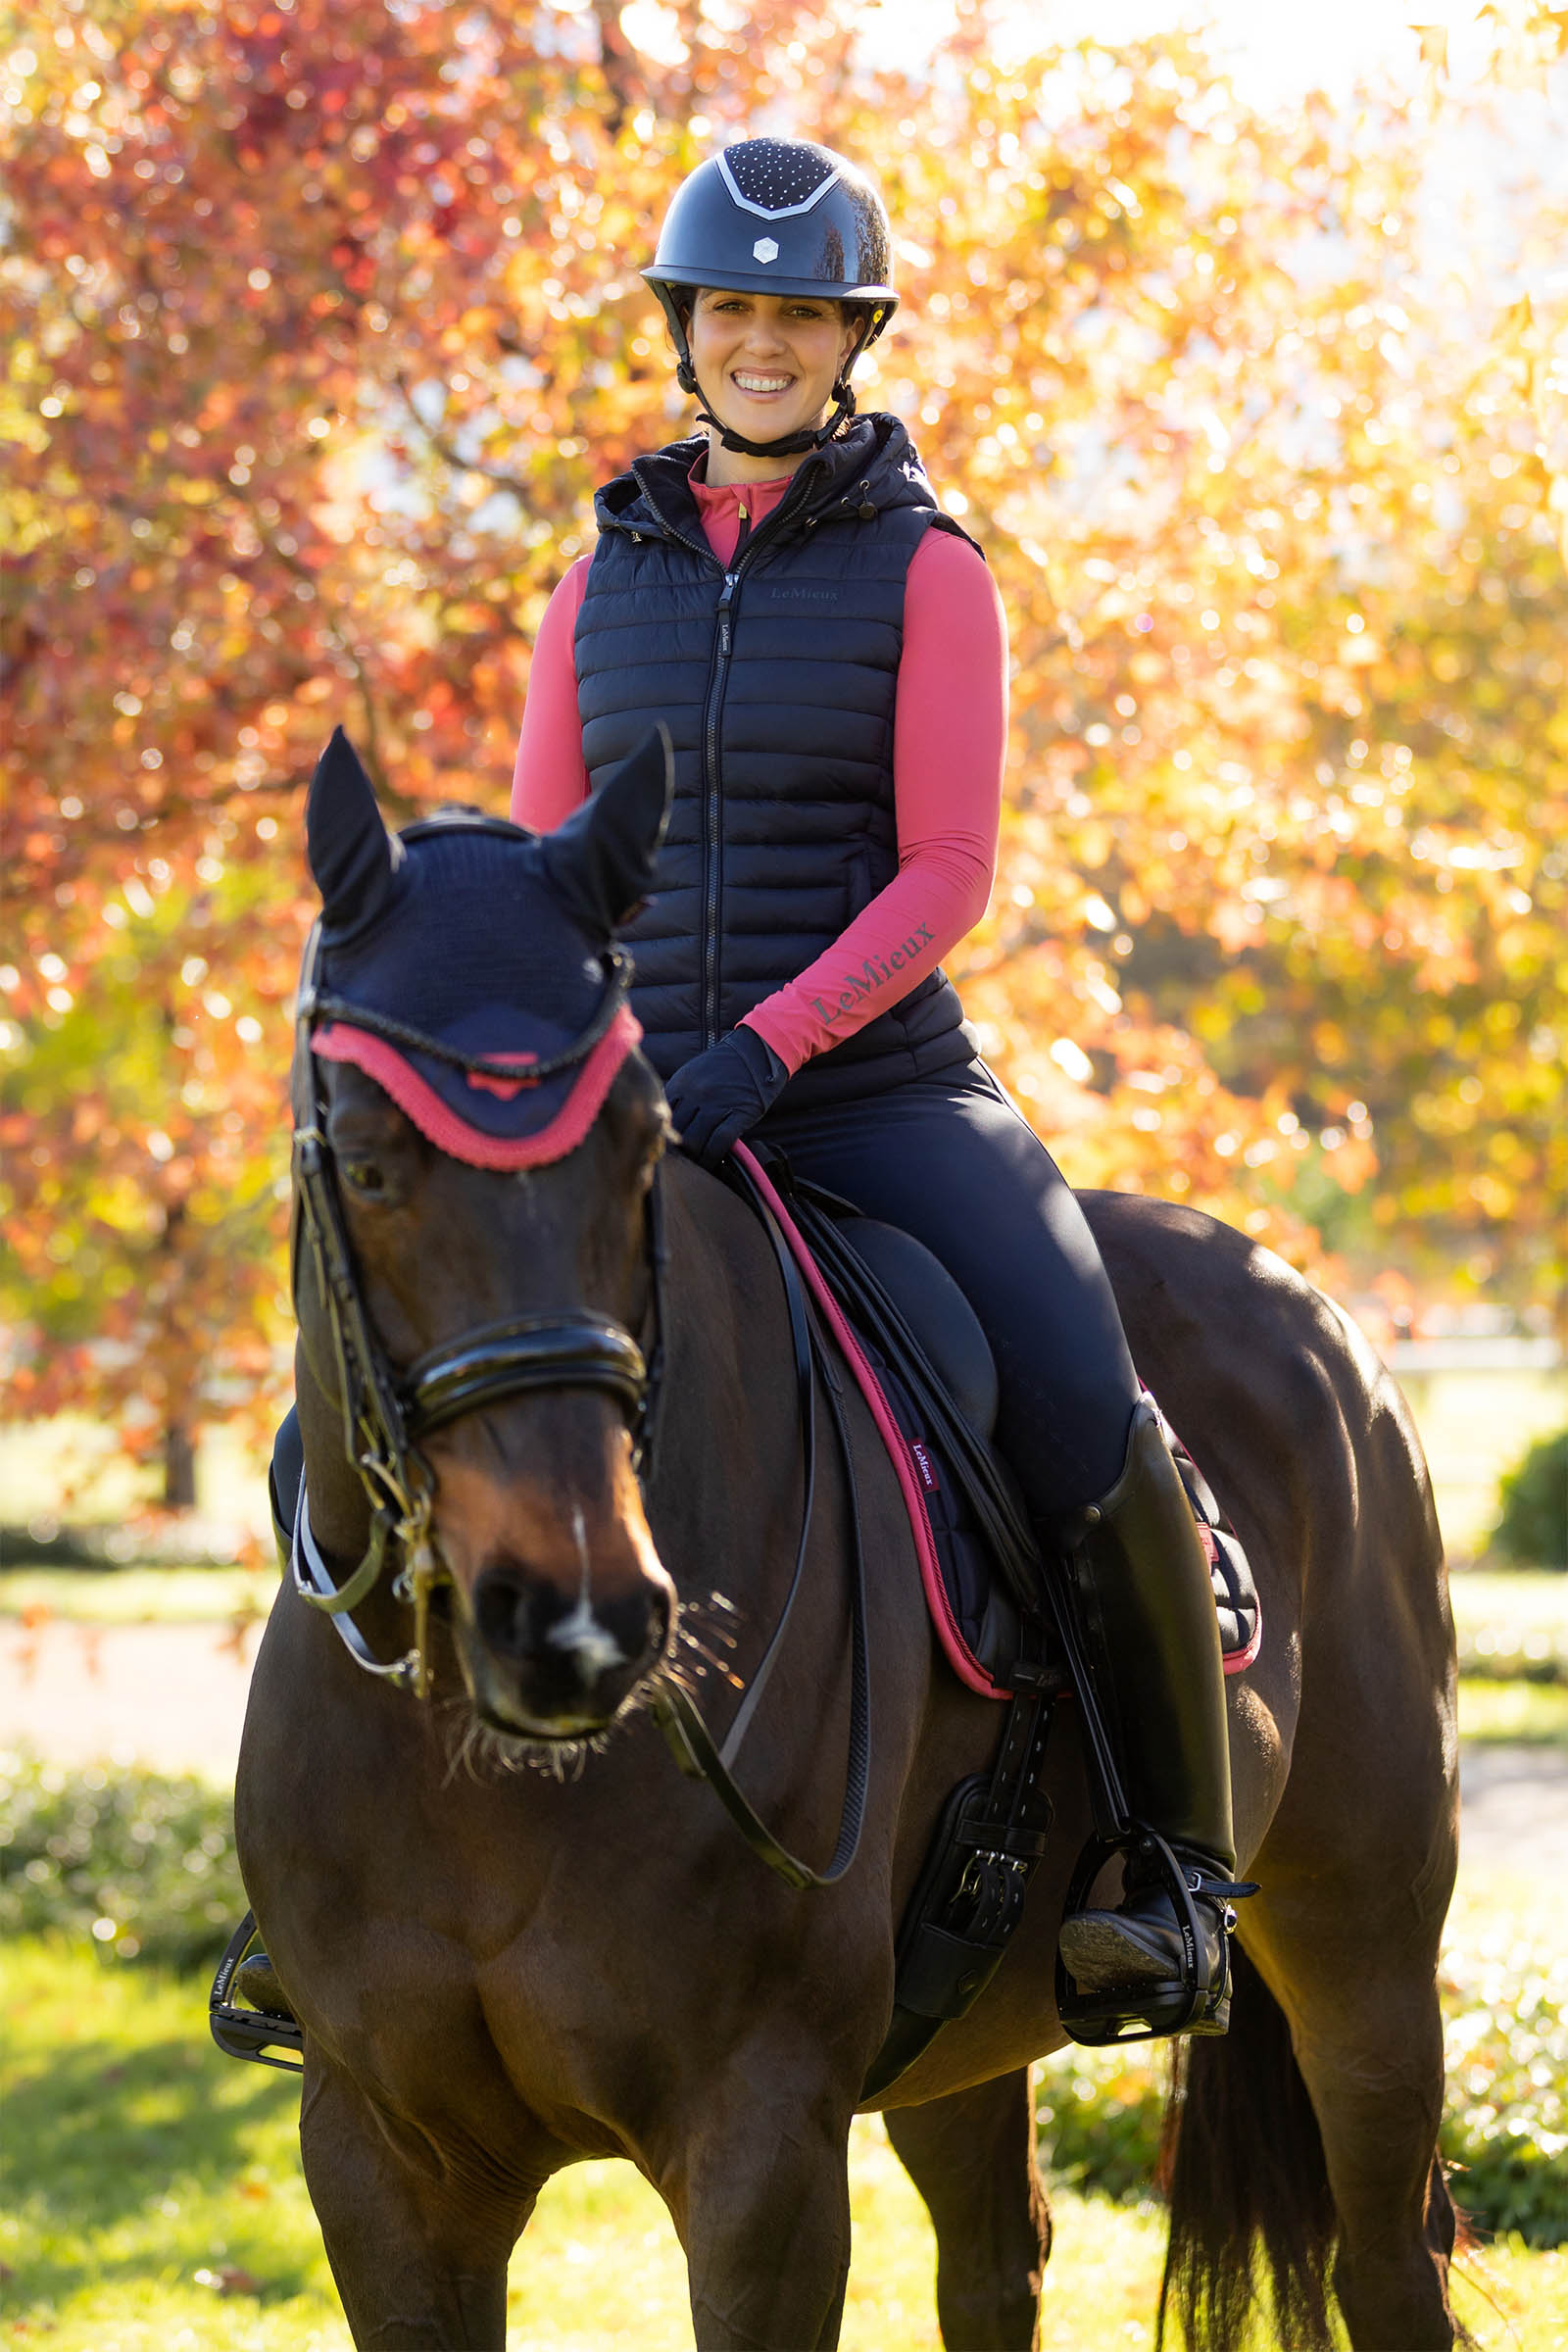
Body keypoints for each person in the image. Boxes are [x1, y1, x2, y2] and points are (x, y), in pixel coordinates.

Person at [512, 137, 1251, 2035]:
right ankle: (336, 1882)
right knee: (409, 1359)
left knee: (1083, 1400)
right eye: (732, 310)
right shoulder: (591, 582)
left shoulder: (930, 571)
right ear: (688, 334)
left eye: (800, 314)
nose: (763, 344)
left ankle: (1171, 1869)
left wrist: (764, 1048)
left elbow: (944, 872)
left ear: (850, 339)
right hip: (638, 1110)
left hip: (870, 1098)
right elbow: (542, 863)